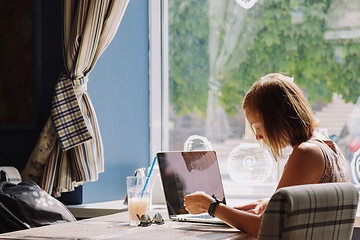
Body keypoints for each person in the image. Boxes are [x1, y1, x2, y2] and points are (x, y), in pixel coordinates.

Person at [183, 73, 350, 238]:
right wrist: (270, 203)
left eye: (258, 126)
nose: (257, 136)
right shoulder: (329, 147)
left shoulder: (306, 154)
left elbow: (263, 228)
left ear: (278, 118)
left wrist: (212, 206)